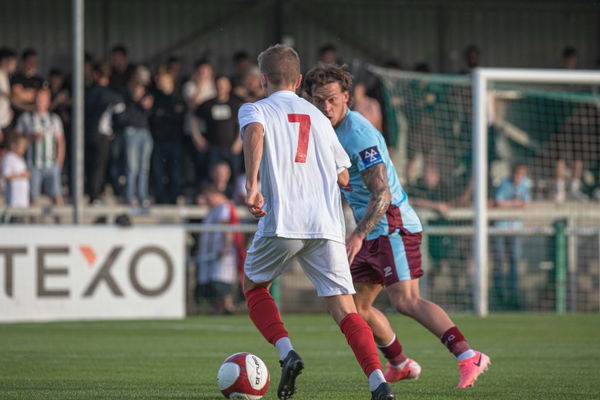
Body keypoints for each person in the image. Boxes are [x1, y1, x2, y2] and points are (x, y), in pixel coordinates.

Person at [304, 64, 490, 389]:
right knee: (355, 307)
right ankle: (401, 364)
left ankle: (468, 355)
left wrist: (357, 234)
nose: (325, 107)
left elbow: (382, 193)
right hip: (369, 229)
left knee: (405, 300)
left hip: (391, 224)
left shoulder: (357, 133)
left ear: (347, 96)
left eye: (332, 99)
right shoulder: (323, 128)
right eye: (319, 100)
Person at [239, 44, 395, 400]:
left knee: (253, 287)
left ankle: (286, 353)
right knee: (346, 311)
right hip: (326, 225)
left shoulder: (255, 109)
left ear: (263, 80)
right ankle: (378, 383)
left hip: (284, 221)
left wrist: (252, 186)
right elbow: (343, 177)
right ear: (297, 80)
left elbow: (255, 133)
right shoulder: (321, 120)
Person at [196, 184, 243, 315]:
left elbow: (226, 227)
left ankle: (228, 306)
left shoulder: (223, 209)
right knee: (214, 283)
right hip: (212, 253)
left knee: (221, 281)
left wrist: (226, 246)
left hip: (222, 252)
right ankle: (219, 307)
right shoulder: (212, 210)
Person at [15, 88, 65, 206]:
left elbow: (61, 142)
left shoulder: (54, 119)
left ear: (48, 101)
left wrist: (59, 162)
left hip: (51, 164)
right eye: (38, 99)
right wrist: (30, 139)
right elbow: (16, 139)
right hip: (33, 164)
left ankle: (59, 223)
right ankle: (33, 223)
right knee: (33, 196)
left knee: (56, 196)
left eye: (43, 100)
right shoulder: (26, 118)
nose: (40, 102)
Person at [493, 163, 531, 309]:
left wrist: (512, 204)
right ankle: (498, 294)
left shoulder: (525, 184)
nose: (519, 178)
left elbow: (526, 204)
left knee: (514, 261)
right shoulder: (504, 183)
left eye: (522, 175)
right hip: (501, 227)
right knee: (499, 260)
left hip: (515, 228)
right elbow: (499, 202)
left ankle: (513, 295)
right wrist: (515, 204)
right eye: (517, 174)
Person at [85, 63, 122, 204]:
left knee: (90, 166)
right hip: (101, 135)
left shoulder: (88, 92)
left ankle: (92, 193)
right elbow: (120, 112)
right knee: (99, 166)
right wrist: (114, 129)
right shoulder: (109, 94)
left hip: (87, 134)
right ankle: (96, 195)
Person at [149, 67, 185, 204]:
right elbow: (153, 117)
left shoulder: (177, 98)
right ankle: (160, 199)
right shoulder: (154, 98)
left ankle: (174, 198)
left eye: (164, 81)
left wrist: (163, 115)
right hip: (158, 141)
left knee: (174, 172)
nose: (161, 84)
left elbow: (179, 117)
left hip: (175, 140)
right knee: (159, 172)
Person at [196, 75, 243, 178]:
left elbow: (243, 123)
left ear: (229, 86)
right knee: (211, 175)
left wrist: (239, 141)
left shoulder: (236, 103)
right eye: (218, 85)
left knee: (234, 175)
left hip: (232, 147)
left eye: (223, 85)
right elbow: (193, 118)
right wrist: (198, 138)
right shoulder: (207, 104)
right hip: (213, 147)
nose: (221, 87)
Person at [11, 49, 44, 115]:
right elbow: (18, 96)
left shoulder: (40, 80)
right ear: (23, 62)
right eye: (30, 61)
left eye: (35, 62)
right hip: (18, 115)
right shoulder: (16, 78)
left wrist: (25, 93)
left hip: (35, 117)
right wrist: (35, 94)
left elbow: (43, 98)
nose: (33, 64)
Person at [1, 135, 29, 212]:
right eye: (21, 146)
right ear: (14, 146)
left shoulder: (20, 159)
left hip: (22, 200)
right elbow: (6, 176)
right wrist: (21, 175)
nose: (24, 149)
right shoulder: (9, 158)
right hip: (13, 200)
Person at [0, 48, 17, 143]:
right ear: (5, 61)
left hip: (5, 121)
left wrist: (8, 109)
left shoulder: (5, 76)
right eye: (13, 62)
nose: (15, 65)